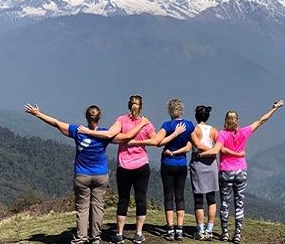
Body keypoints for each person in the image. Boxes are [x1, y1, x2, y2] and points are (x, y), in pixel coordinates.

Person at [24, 103, 148, 244]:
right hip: (100, 176)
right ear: (99, 118)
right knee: (98, 206)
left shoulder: (78, 131)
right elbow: (126, 137)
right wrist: (142, 124)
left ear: (86, 117)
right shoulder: (105, 134)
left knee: (82, 208)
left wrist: (38, 114)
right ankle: (95, 237)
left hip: (82, 175)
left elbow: (56, 123)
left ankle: (81, 237)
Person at [78, 95, 184, 244]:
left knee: (123, 200)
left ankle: (120, 234)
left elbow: (111, 136)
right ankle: (139, 234)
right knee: (141, 199)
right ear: (141, 107)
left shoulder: (121, 120)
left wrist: (129, 141)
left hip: (124, 166)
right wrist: (174, 134)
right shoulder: (145, 122)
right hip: (142, 166)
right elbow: (157, 142)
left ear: (129, 106)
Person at [199, 99, 285, 244]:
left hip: (226, 171)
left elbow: (215, 150)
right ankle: (237, 234)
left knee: (225, 203)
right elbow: (261, 121)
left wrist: (200, 155)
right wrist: (274, 108)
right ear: (237, 121)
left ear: (225, 121)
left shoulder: (222, 134)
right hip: (241, 171)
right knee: (239, 203)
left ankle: (225, 233)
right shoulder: (244, 132)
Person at [129, 98, 194, 241]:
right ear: (181, 110)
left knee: (168, 196)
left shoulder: (166, 125)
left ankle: (170, 229)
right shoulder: (189, 125)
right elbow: (194, 144)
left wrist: (170, 150)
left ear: (169, 111)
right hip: (181, 164)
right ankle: (180, 229)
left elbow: (157, 142)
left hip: (167, 163)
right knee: (180, 196)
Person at [189, 105, 219, 241]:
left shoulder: (194, 129)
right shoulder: (214, 130)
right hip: (211, 164)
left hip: (198, 163)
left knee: (198, 199)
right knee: (211, 198)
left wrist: (203, 153)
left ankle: (200, 230)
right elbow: (218, 145)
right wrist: (212, 152)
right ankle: (210, 230)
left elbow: (197, 146)